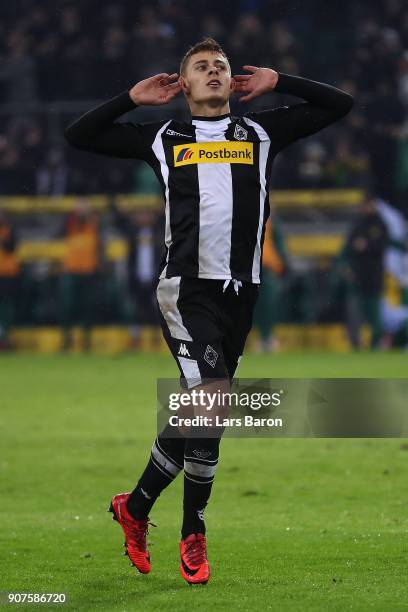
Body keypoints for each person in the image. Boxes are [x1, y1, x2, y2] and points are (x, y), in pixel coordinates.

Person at [65, 37, 353, 585]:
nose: (215, 72)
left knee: (205, 413)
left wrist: (281, 81)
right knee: (213, 398)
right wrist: (130, 98)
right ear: (186, 85)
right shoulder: (164, 137)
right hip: (186, 289)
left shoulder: (261, 132)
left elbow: (341, 106)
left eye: (220, 66)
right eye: (202, 68)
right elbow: (78, 136)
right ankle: (192, 533)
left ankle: (136, 507)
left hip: (243, 292)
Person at [343, 195, 389, 349]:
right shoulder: (358, 224)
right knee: (355, 312)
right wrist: (348, 266)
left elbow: (382, 245)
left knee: (374, 313)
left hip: (374, 276)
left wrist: (366, 245)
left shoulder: (380, 224)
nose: (365, 208)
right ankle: (355, 343)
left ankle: (376, 343)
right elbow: (348, 246)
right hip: (358, 276)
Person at [59, 199, 102, 351]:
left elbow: (100, 246)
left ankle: (86, 341)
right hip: (71, 271)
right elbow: (60, 229)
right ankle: (66, 339)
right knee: (67, 307)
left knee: (87, 308)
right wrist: (74, 212)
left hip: (88, 271)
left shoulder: (95, 224)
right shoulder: (70, 223)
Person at [0, 210, 20, 350]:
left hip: (7, 274)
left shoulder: (10, 230)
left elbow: (10, 248)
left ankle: (6, 338)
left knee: (7, 306)